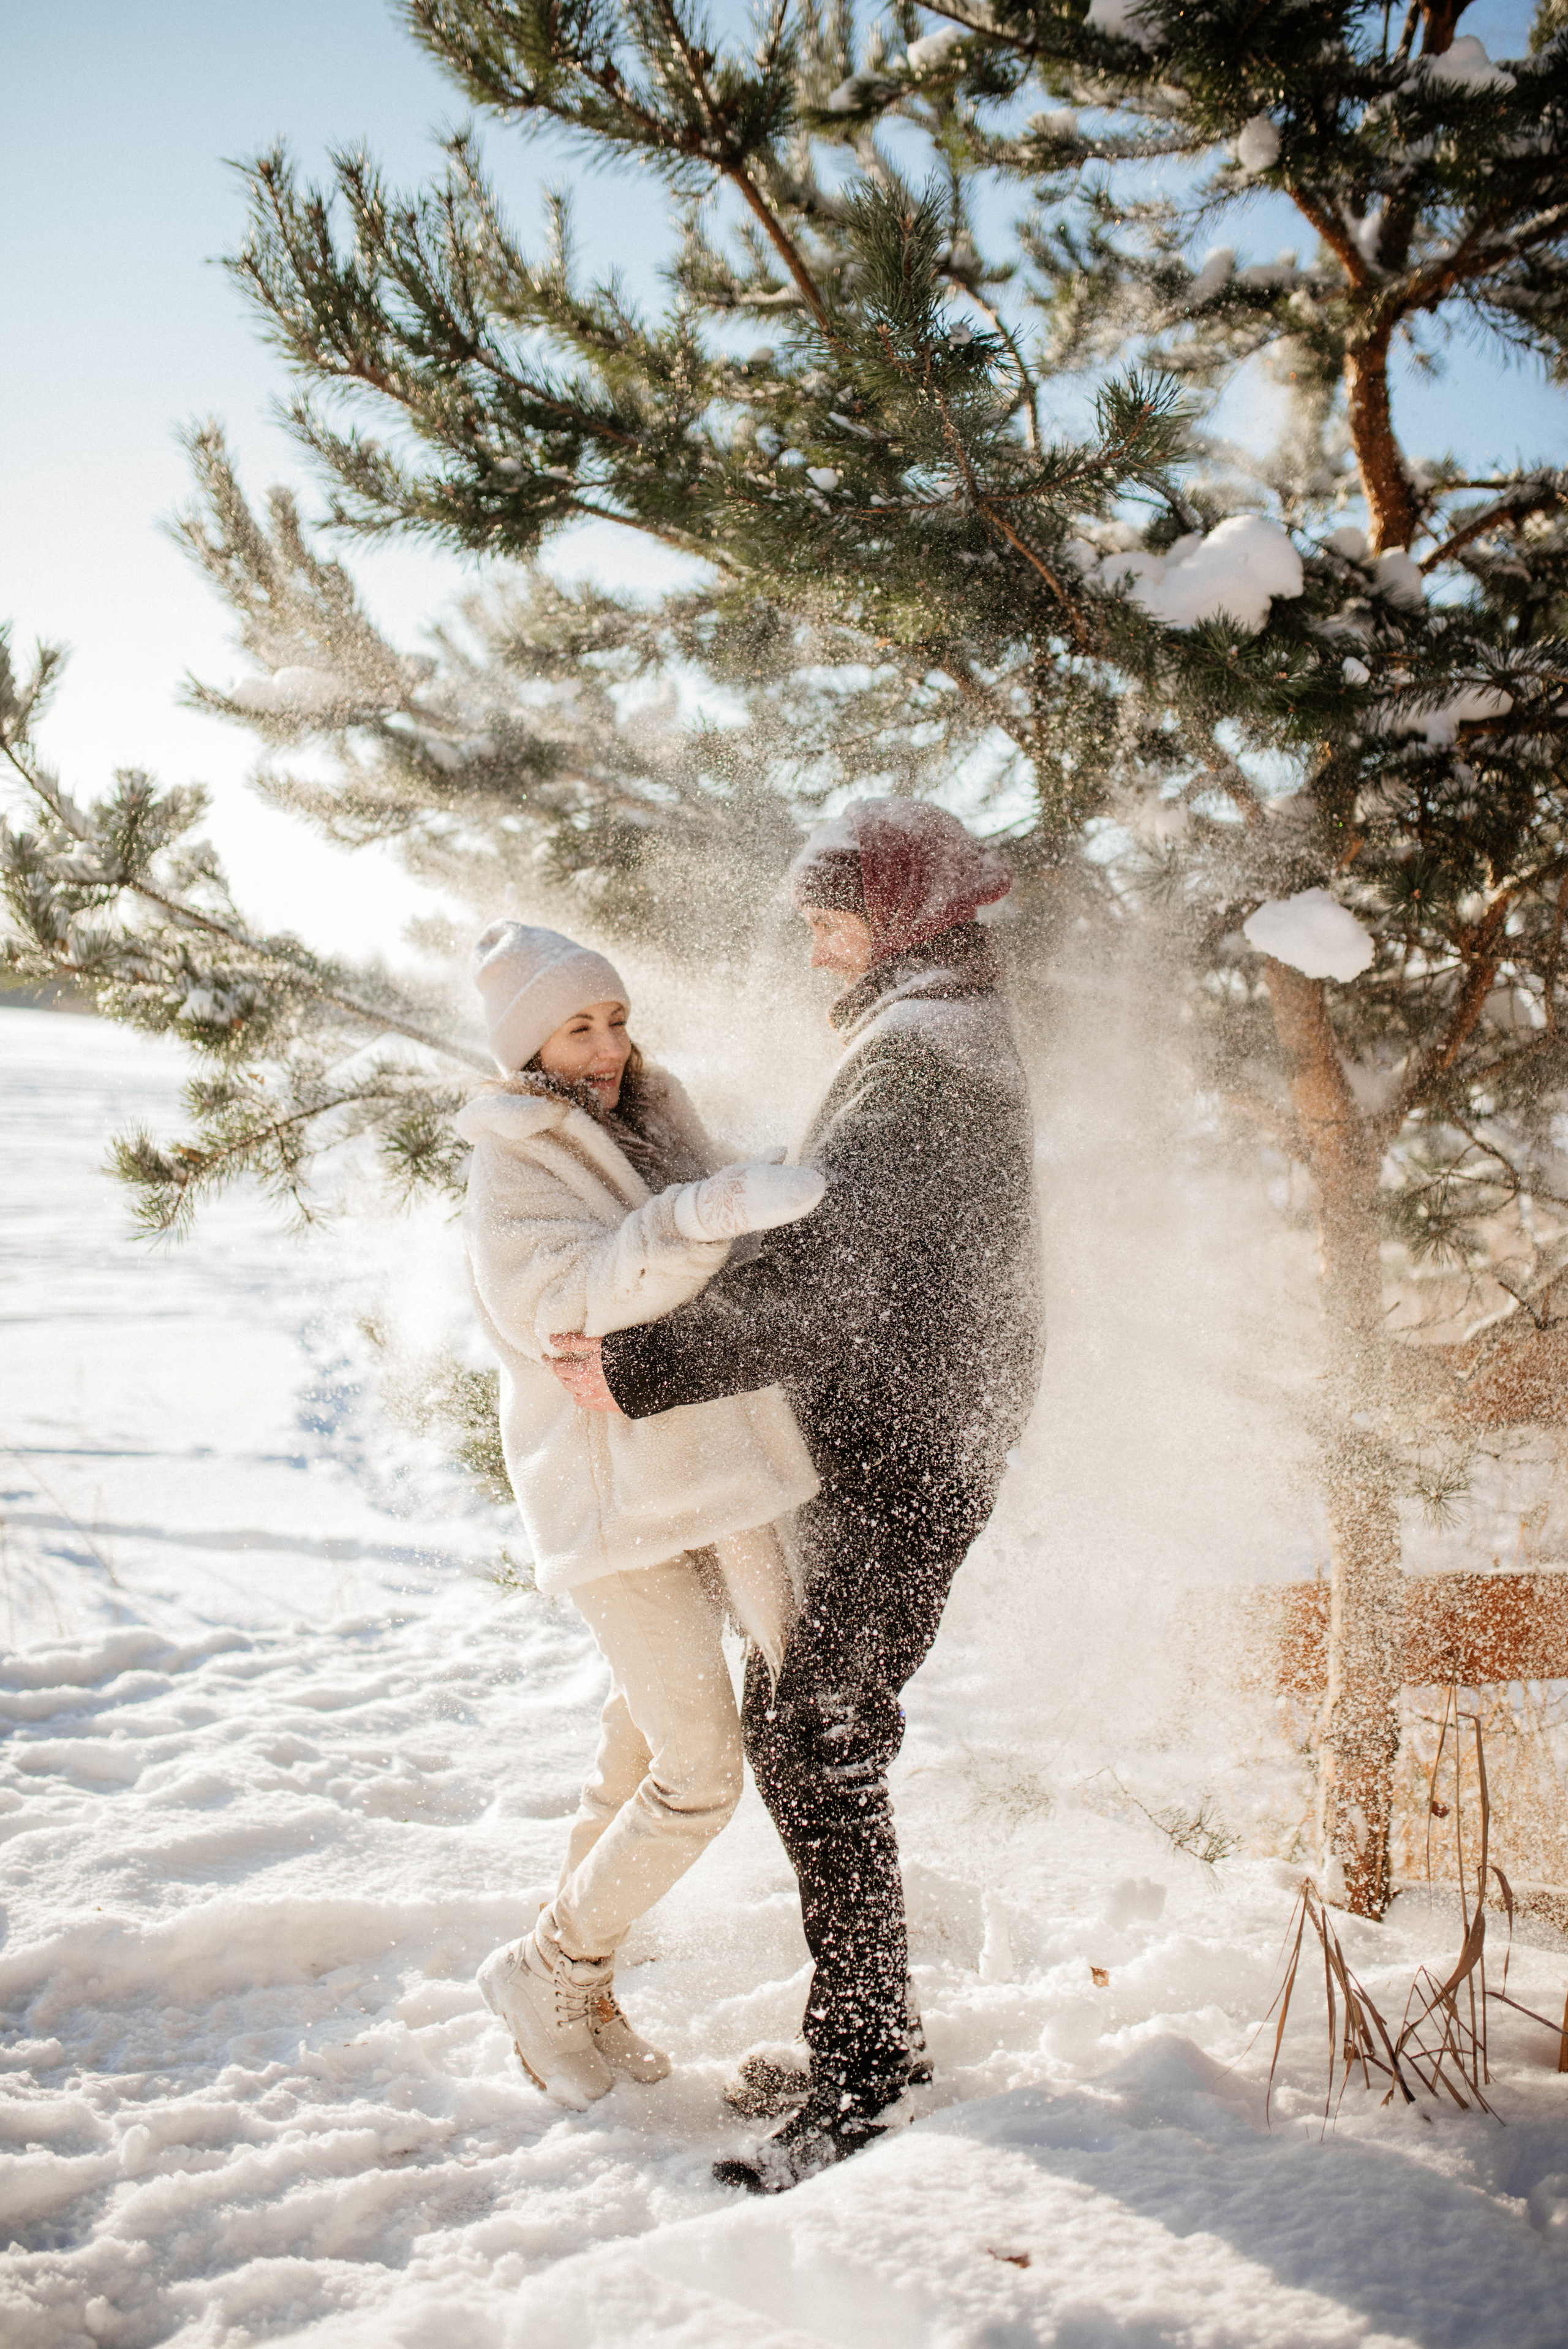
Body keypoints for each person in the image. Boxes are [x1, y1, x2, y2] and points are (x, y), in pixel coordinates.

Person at [549, 800, 1045, 2190]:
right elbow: (844, 1235)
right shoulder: (932, 1035)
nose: (819, 950)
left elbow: (846, 1280)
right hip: (905, 1431)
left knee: (817, 1736)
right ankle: (862, 2045)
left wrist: (644, 1362)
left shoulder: (925, 1056)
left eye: (834, 918)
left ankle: (869, 2079)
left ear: (901, 913)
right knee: (804, 1726)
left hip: (911, 1447)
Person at [459, 920, 826, 2111]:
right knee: (698, 1772)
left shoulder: (650, 1116)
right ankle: (545, 1971)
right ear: (529, 1043)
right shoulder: (512, 1166)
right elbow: (570, 1302)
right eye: (579, 1025)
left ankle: (585, 1989)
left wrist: (749, 1195)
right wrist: (701, 1215)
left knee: (630, 1759)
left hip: (700, 1483)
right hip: (614, 1506)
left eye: (614, 1018)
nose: (609, 1044)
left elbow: (718, 1261)